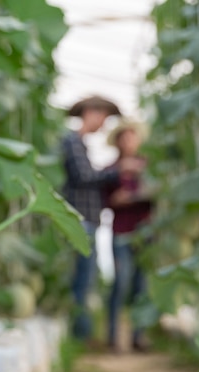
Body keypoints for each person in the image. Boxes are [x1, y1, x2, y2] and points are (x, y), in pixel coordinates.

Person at [60, 96, 144, 343]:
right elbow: (85, 177)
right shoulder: (73, 141)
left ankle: (82, 334)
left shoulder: (80, 144)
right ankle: (81, 335)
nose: (104, 124)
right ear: (91, 113)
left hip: (89, 221)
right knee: (83, 280)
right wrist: (117, 171)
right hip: (82, 220)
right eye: (104, 118)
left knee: (86, 279)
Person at [103, 120, 153, 353]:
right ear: (118, 141)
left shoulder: (148, 165)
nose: (128, 141)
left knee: (141, 286)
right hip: (121, 233)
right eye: (123, 137)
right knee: (121, 282)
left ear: (138, 139)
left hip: (145, 233)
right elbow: (108, 201)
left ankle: (138, 337)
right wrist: (126, 197)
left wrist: (131, 196)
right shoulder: (111, 169)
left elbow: (158, 191)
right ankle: (112, 337)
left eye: (131, 136)